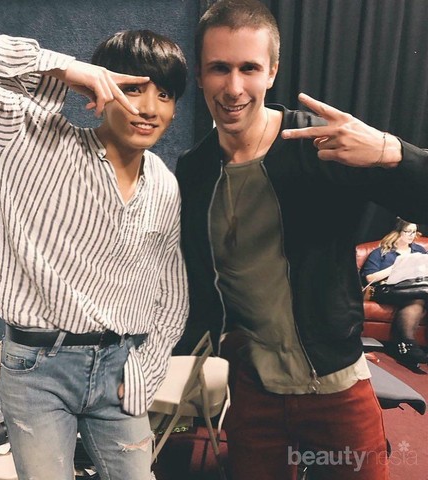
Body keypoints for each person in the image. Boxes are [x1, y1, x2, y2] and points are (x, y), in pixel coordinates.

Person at [174, 1, 428, 479]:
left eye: (249, 68)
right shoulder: (194, 170)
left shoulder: (320, 145)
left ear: (272, 71)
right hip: (255, 391)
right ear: (202, 76)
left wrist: (388, 150)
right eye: (219, 68)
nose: (233, 87)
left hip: (337, 386)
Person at [0, 29, 189, 480]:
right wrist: (61, 67)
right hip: (37, 371)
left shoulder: (163, 184)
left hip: (119, 369)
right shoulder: (25, 141)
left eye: (165, 95)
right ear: (101, 86)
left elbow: (171, 292)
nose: (150, 108)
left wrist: (149, 366)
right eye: (133, 88)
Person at [361, 218, 427, 365]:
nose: (412, 235)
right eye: (408, 231)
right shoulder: (381, 252)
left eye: (414, 232)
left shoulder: (419, 251)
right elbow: (370, 277)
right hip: (386, 290)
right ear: (397, 232)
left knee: (418, 299)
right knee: (418, 297)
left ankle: (407, 346)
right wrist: (397, 267)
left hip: (415, 289)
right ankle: (407, 345)